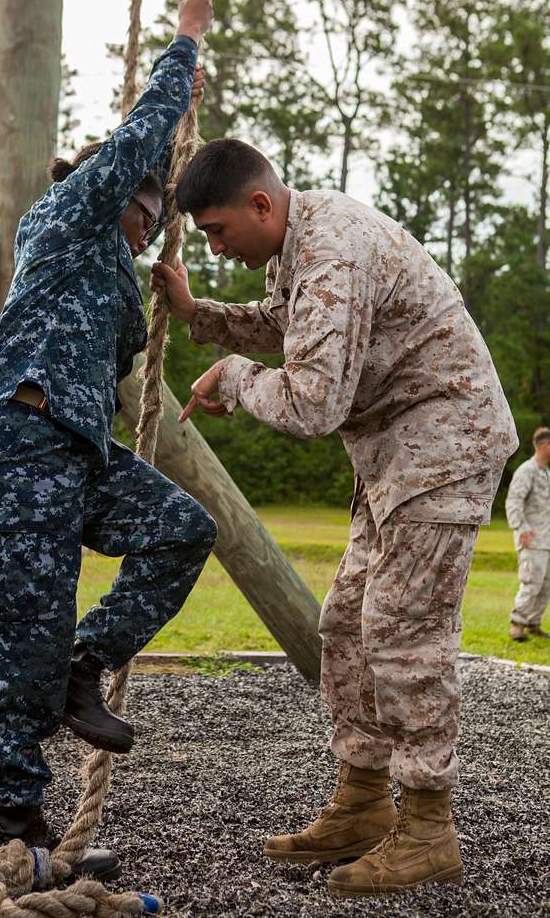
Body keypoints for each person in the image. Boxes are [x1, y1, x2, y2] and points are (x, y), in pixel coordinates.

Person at [150, 137, 518, 898]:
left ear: (260, 204)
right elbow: (288, 325)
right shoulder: (297, 241)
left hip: (445, 442)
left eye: (218, 231)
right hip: (393, 456)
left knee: (399, 631)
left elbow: (312, 403)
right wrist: (201, 316)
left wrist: (238, 376)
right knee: (345, 624)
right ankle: (360, 804)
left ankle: (427, 828)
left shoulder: (333, 249)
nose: (215, 247)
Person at [0, 0, 217, 870]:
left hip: (74, 456)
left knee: (183, 529)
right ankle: (20, 831)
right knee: (21, 637)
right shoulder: (64, 218)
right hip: (13, 449)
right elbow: (138, 144)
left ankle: (81, 666)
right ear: (123, 199)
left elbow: (124, 356)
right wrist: (183, 49)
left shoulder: (112, 277)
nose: (148, 235)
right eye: (150, 217)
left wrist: (170, 297)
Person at [505, 427, 550, 642]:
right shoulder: (527, 470)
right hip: (531, 538)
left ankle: (533, 623)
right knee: (531, 581)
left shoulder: (545, 472)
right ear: (545, 446)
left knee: (545, 584)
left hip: (546, 539)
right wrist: (521, 528)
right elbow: (514, 501)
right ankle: (517, 624)